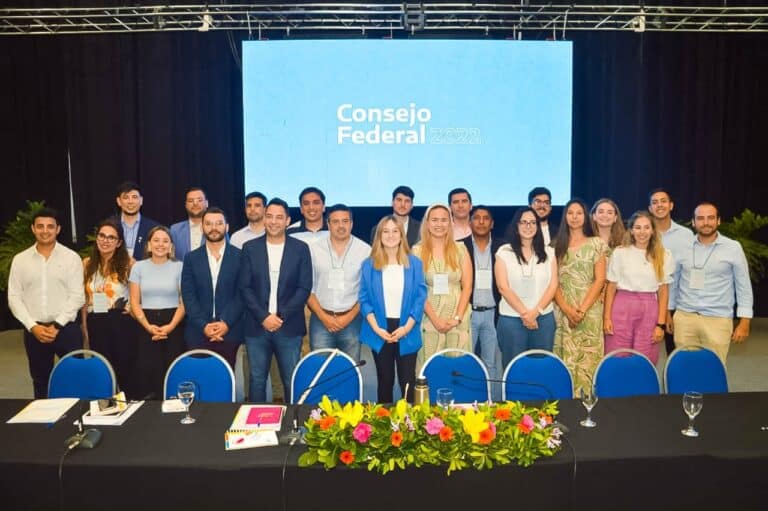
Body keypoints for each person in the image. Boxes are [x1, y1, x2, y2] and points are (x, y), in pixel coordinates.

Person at [239, 198, 312, 402]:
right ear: (264, 219)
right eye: (269, 216)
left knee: (291, 380)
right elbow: (244, 287)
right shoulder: (250, 248)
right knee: (257, 379)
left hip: (288, 326)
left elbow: (304, 287)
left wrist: (279, 316)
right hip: (256, 326)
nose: (273, 221)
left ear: (287, 221)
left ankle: (293, 425)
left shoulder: (301, 248)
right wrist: (264, 317)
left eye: (279, 217)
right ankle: (257, 427)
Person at [8, 207, 85, 398]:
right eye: (40, 226)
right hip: (35, 331)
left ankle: (78, 420)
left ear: (58, 229)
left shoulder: (71, 258)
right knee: (41, 381)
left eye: (50, 226)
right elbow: (14, 297)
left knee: (75, 377)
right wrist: (33, 326)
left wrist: (57, 325)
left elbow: (77, 296)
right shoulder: (20, 260)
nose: (45, 230)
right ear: (33, 229)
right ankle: (44, 425)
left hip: (66, 329)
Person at [670, 202, 753, 364]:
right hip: (685, 318)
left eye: (710, 218)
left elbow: (743, 286)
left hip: (718, 320)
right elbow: (674, 283)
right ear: (693, 222)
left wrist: (745, 321)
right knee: (685, 367)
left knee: (714, 369)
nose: (706, 222)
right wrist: (669, 313)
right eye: (700, 218)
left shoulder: (733, 248)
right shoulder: (683, 248)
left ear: (718, 221)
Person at [359, 215, 427, 403]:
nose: (390, 235)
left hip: (407, 327)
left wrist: (406, 327)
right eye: (385, 231)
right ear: (379, 236)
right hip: (379, 328)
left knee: (407, 381)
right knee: (385, 380)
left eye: (395, 231)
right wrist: (376, 328)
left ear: (401, 235)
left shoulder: (415, 264)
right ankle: (385, 426)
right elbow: (364, 299)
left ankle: (410, 427)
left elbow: (420, 298)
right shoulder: (368, 265)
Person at [603, 211, 673, 365]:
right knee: (617, 354)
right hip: (621, 306)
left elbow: (663, 292)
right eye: (638, 228)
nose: (642, 232)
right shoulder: (620, 253)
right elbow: (611, 287)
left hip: (649, 309)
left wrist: (660, 325)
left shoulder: (664, 255)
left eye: (647, 228)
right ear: (631, 230)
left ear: (653, 230)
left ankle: (642, 388)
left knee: (645, 356)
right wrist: (606, 318)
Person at [552, 199, 607, 393]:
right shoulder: (556, 245)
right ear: (565, 217)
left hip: (589, 312)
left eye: (579, 213)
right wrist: (568, 310)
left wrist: (581, 311)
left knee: (587, 364)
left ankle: (587, 410)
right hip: (563, 311)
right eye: (570, 213)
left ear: (586, 217)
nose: (574, 217)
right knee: (564, 363)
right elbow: (553, 283)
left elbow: (600, 280)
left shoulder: (597, 243)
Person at [495, 207, 558, 368]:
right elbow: (503, 287)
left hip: (543, 319)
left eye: (532, 222)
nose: (528, 226)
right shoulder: (504, 252)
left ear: (538, 226)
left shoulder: (549, 252)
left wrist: (535, 312)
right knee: (513, 368)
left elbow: (553, 286)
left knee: (541, 368)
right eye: (523, 222)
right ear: (516, 226)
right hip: (512, 319)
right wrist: (525, 314)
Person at [412, 204, 473, 371]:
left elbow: (467, 286)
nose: (439, 224)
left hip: (458, 321)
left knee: (458, 371)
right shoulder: (417, 252)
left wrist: (457, 318)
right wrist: (436, 320)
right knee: (430, 370)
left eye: (444, 220)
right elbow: (417, 290)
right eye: (434, 220)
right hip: (429, 320)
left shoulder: (460, 249)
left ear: (450, 222)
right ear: (427, 223)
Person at [180, 207, 243, 368]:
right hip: (198, 332)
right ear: (202, 227)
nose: (214, 228)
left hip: (230, 332)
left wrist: (225, 323)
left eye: (219, 223)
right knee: (199, 380)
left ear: (227, 227)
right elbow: (188, 295)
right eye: (208, 224)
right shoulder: (191, 258)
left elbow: (242, 294)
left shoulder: (241, 256)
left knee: (226, 383)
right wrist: (204, 325)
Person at [307, 204, 371, 360]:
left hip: (352, 320)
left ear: (351, 224)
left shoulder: (365, 251)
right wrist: (324, 317)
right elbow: (308, 288)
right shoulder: (313, 250)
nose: (341, 226)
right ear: (328, 224)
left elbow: (367, 291)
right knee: (320, 369)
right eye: (335, 221)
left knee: (349, 370)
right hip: (321, 319)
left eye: (345, 221)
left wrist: (348, 317)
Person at [81, 219, 137, 397]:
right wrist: (85, 328)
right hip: (95, 322)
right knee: (102, 371)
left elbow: (138, 296)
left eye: (111, 237)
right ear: (97, 238)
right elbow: (84, 300)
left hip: (121, 323)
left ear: (119, 242)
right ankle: (105, 413)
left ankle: (130, 411)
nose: (106, 240)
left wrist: (133, 309)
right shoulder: (87, 264)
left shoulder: (129, 263)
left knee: (125, 372)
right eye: (102, 236)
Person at [129, 225, 185, 399]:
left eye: (165, 241)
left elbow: (184, 302)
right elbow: (134, 302)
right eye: (156, 240)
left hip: (174, 323)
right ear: (148, 245)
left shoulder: (180, 267)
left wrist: (170, 327)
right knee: (147, 371)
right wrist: (148, 326)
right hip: (145, 324)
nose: (161, 244)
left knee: (173, 369)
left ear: (171, 246)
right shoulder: (138, 267)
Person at [647, 188, 695, 355]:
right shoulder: (643, 233)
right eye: (655, 202)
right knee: (644, 352)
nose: (659, 205)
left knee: (675, 353)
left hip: (676, 304)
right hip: (645, 302)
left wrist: (669, 309)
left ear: (671, 205)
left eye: (663, 201)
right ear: (650, 208)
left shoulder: (686, 235)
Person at [460, 206, 504, 379]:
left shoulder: (503, 247)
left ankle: (491, 402)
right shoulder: (459, 246)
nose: (481, 222)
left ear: (492, 224)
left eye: (486, 218)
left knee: (491, 364)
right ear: (470, 223)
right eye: (476, 218)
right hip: (468, 312)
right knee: (465, 361)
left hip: (492, 313)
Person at [114, 181, 159, 260]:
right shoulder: (110, 226)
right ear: (119, 201)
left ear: (141, 200)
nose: (130, 202)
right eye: (126, 197)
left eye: (134, 197)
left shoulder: (154, 228)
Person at [170, 187, 208, 261]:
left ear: (206, 203)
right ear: (186, 205)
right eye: (191, 201)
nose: (195, 203)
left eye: (199, 200)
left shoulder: (216, 228)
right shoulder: (175, 230)